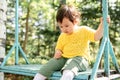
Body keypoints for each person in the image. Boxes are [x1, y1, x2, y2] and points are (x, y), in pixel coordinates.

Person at [33, 5, 110, 80]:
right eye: (61, 26)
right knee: (47, 67)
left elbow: (96, 36)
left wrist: (102, 25)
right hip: (64, 58)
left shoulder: (83, 30)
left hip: (80, 58)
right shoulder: (62, 36)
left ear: (75, 21)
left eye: (66, 26)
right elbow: (59, 48)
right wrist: (58, 51)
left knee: (68, 72)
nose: (64, 29)